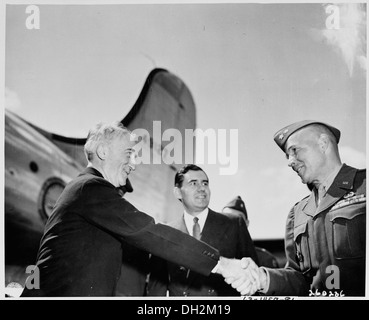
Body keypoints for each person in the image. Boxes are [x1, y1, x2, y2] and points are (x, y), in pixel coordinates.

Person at [20, 122, 255, 297]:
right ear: (103, 152)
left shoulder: (86, 189)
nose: (134, 164)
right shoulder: (91, 189)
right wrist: (222, 263)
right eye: (129, 154)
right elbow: (149, 231)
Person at [233, 120, 366, 297]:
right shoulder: (297, 213)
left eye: (294, 150)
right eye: (287, 155)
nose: (290, 162)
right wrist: (263, 278)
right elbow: (300, 279)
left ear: (323, 144)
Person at [147, 164, 259, 296]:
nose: (202, 188)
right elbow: (156, 288)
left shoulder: (234, 223)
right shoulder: (165, 232)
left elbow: (253, 277)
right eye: (193, 183)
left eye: (205, 183)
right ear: (178, 192)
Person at [223, 196, 279, 268]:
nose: (232, 224)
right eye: (227, 218)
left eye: (238, 220)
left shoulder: (265, 259)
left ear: (246, 223)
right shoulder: (209, 256)